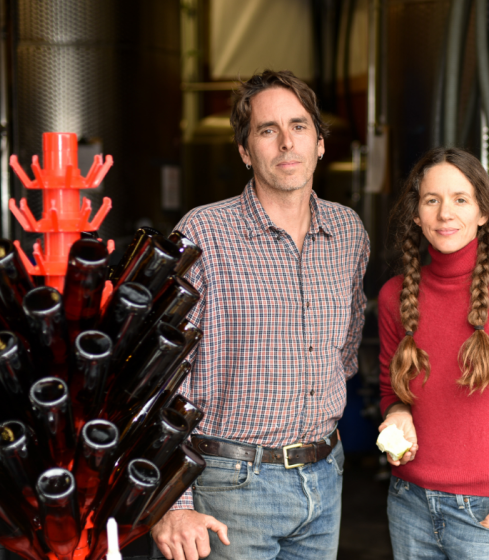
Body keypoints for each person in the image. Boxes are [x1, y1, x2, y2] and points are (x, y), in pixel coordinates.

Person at [150, 70, 370, 560]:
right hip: (231, 486)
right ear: (246, 151)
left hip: (323, 478)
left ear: (319, 143)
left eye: (299, 126)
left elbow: (346, 348)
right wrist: (174, 501)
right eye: (267, 130)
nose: (286, 142)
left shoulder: (348, 231)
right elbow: (163, 377)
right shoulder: (204, 232)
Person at [377, 147, 489, 560]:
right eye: (431, 200)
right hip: (409, 504)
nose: (445, 214)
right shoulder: (394, 296)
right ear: (417, 216)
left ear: (482, 213)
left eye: (461, 199)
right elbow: (391, 390)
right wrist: (398, 412)